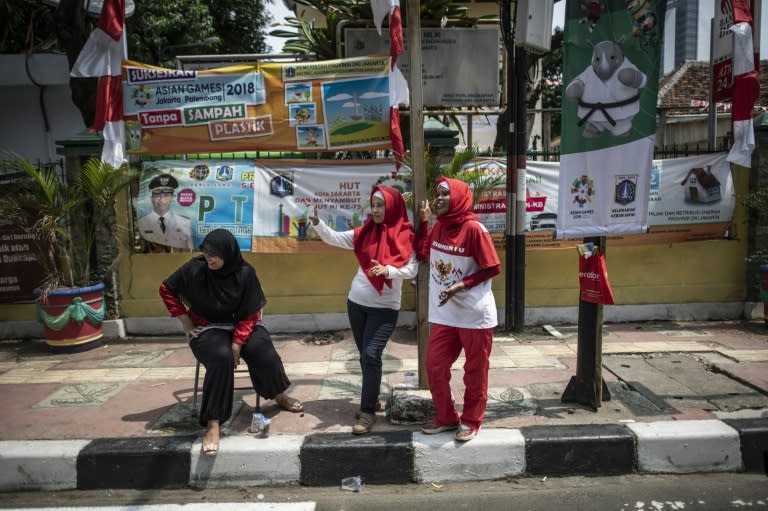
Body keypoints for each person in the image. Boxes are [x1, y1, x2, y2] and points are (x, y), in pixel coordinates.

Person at [159, 228, 303, 456]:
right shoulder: (195, 269)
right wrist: (185, 322)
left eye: (214, 253)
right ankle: (213, 424)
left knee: (262, 352)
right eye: (206, 252)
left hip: (243, 324)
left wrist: (237, 343)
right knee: (220, 358)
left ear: (228, 252)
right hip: (207, 327)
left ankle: (278, 395)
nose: (209, 258)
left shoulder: (245, 273)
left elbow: (252, 312)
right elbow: (166, 288)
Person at [309, 186, 417, 435]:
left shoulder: (407, 236)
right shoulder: (366, 231)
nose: (376, 210)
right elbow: (334, 238)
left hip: (384, 308)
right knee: (366, 358)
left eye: (381, 205)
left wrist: (389, 271)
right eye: (374, 205)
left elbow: (412, 269)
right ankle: (372, 398)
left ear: (393, 207)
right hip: (356, 303)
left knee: (370, 355)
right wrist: (317, 223)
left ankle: (367, 412)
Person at [416, 177, 500, 442]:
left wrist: (461, 285)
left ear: (459, 197)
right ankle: (446, 416)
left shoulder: (475, 229)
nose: (439, 198)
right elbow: (424, 252)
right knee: (434, 365)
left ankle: (472, 420)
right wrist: (425, 223)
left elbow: (492, 267)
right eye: (437, 193)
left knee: (475, 370)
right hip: (445, 314)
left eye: (445, 194)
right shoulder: (440, 226)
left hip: (474, 315)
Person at [137, 173, 193, 250]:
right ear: (151, 198)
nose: (161, 200)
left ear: (172, 197)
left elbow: (190, 249)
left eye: (166, 196)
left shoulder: (185, 223)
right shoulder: (142, 222)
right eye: (157, 196)